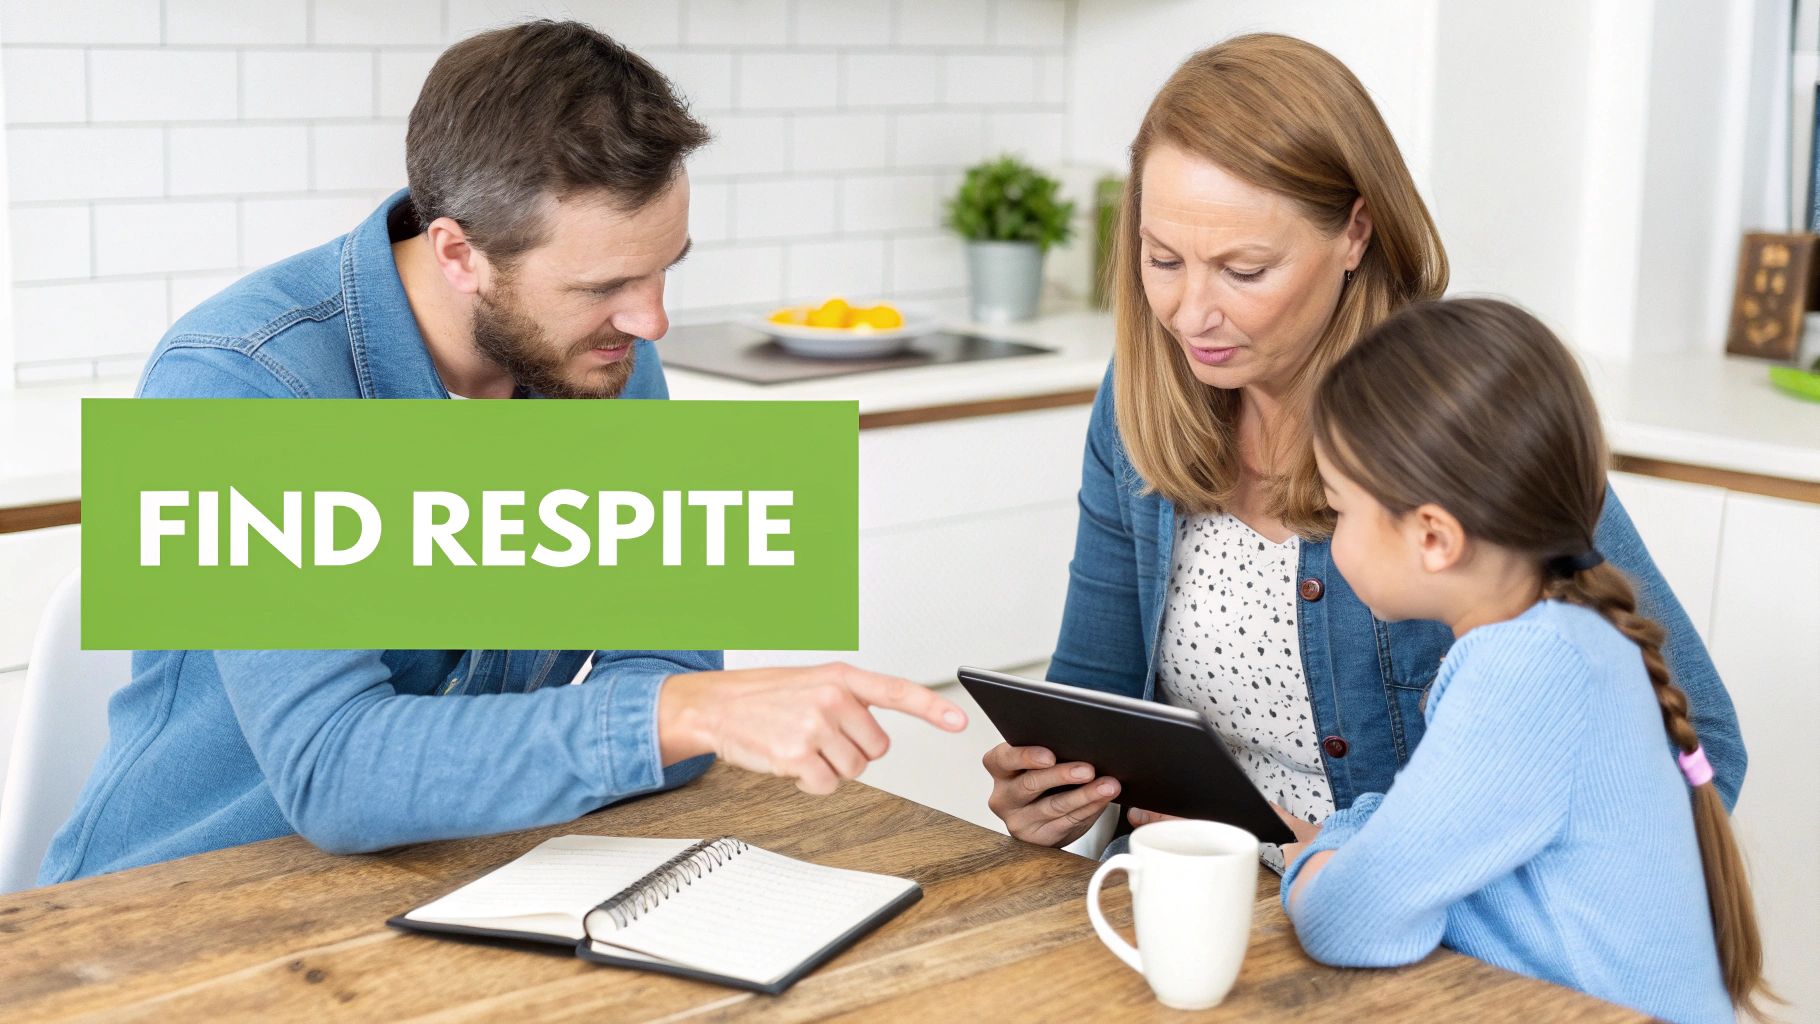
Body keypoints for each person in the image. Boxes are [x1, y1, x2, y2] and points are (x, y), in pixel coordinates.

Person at [40, 21, 964, 885]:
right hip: (177, 906)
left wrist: (673, 713)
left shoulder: (601, 359)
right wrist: (671, 716)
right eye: (604, 285)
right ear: (458, 253)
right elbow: (335, 772)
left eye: (664, 269)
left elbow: (670, 681)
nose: (651, 322)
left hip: (466, 878)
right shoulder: (239, 382)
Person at [981, 34, 1744, 866]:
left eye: (1243, 269)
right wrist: (1053, 794)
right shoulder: (1139, 396)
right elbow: (1092, 695)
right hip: (1181, 905)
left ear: (1355, 232)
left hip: (1407, 939)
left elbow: (1700, 755)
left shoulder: (1459, 417)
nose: (1189, 313)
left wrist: (1356, 861)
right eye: (1163, 259)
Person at [1280, 297, 1765, 1024]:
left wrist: (1314, 865)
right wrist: (1357, 845)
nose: (1329, 534)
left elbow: (1349, 922)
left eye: (1339, 509)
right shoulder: (1568, 641)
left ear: (1435, 539)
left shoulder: (1524, 674)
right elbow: (1436, 837)